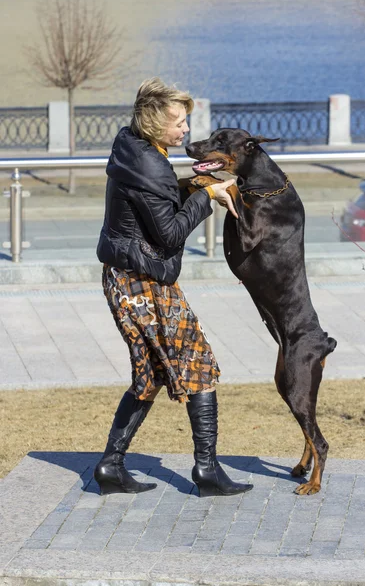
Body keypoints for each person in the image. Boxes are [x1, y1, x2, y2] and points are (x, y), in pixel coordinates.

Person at [94, 77, 253, 497]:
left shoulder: (134, 148)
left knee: (148, 375)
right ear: (153, 123)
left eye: (186, 121)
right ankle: (207, 471)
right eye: (179, 122)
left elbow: (155, 201)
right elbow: (168, 234)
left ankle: (110, 466)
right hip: (142, 282)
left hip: (127, 276)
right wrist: (210, 195)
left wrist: (194, 185)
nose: (186, 130)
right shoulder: (149, 162)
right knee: (199, 362)